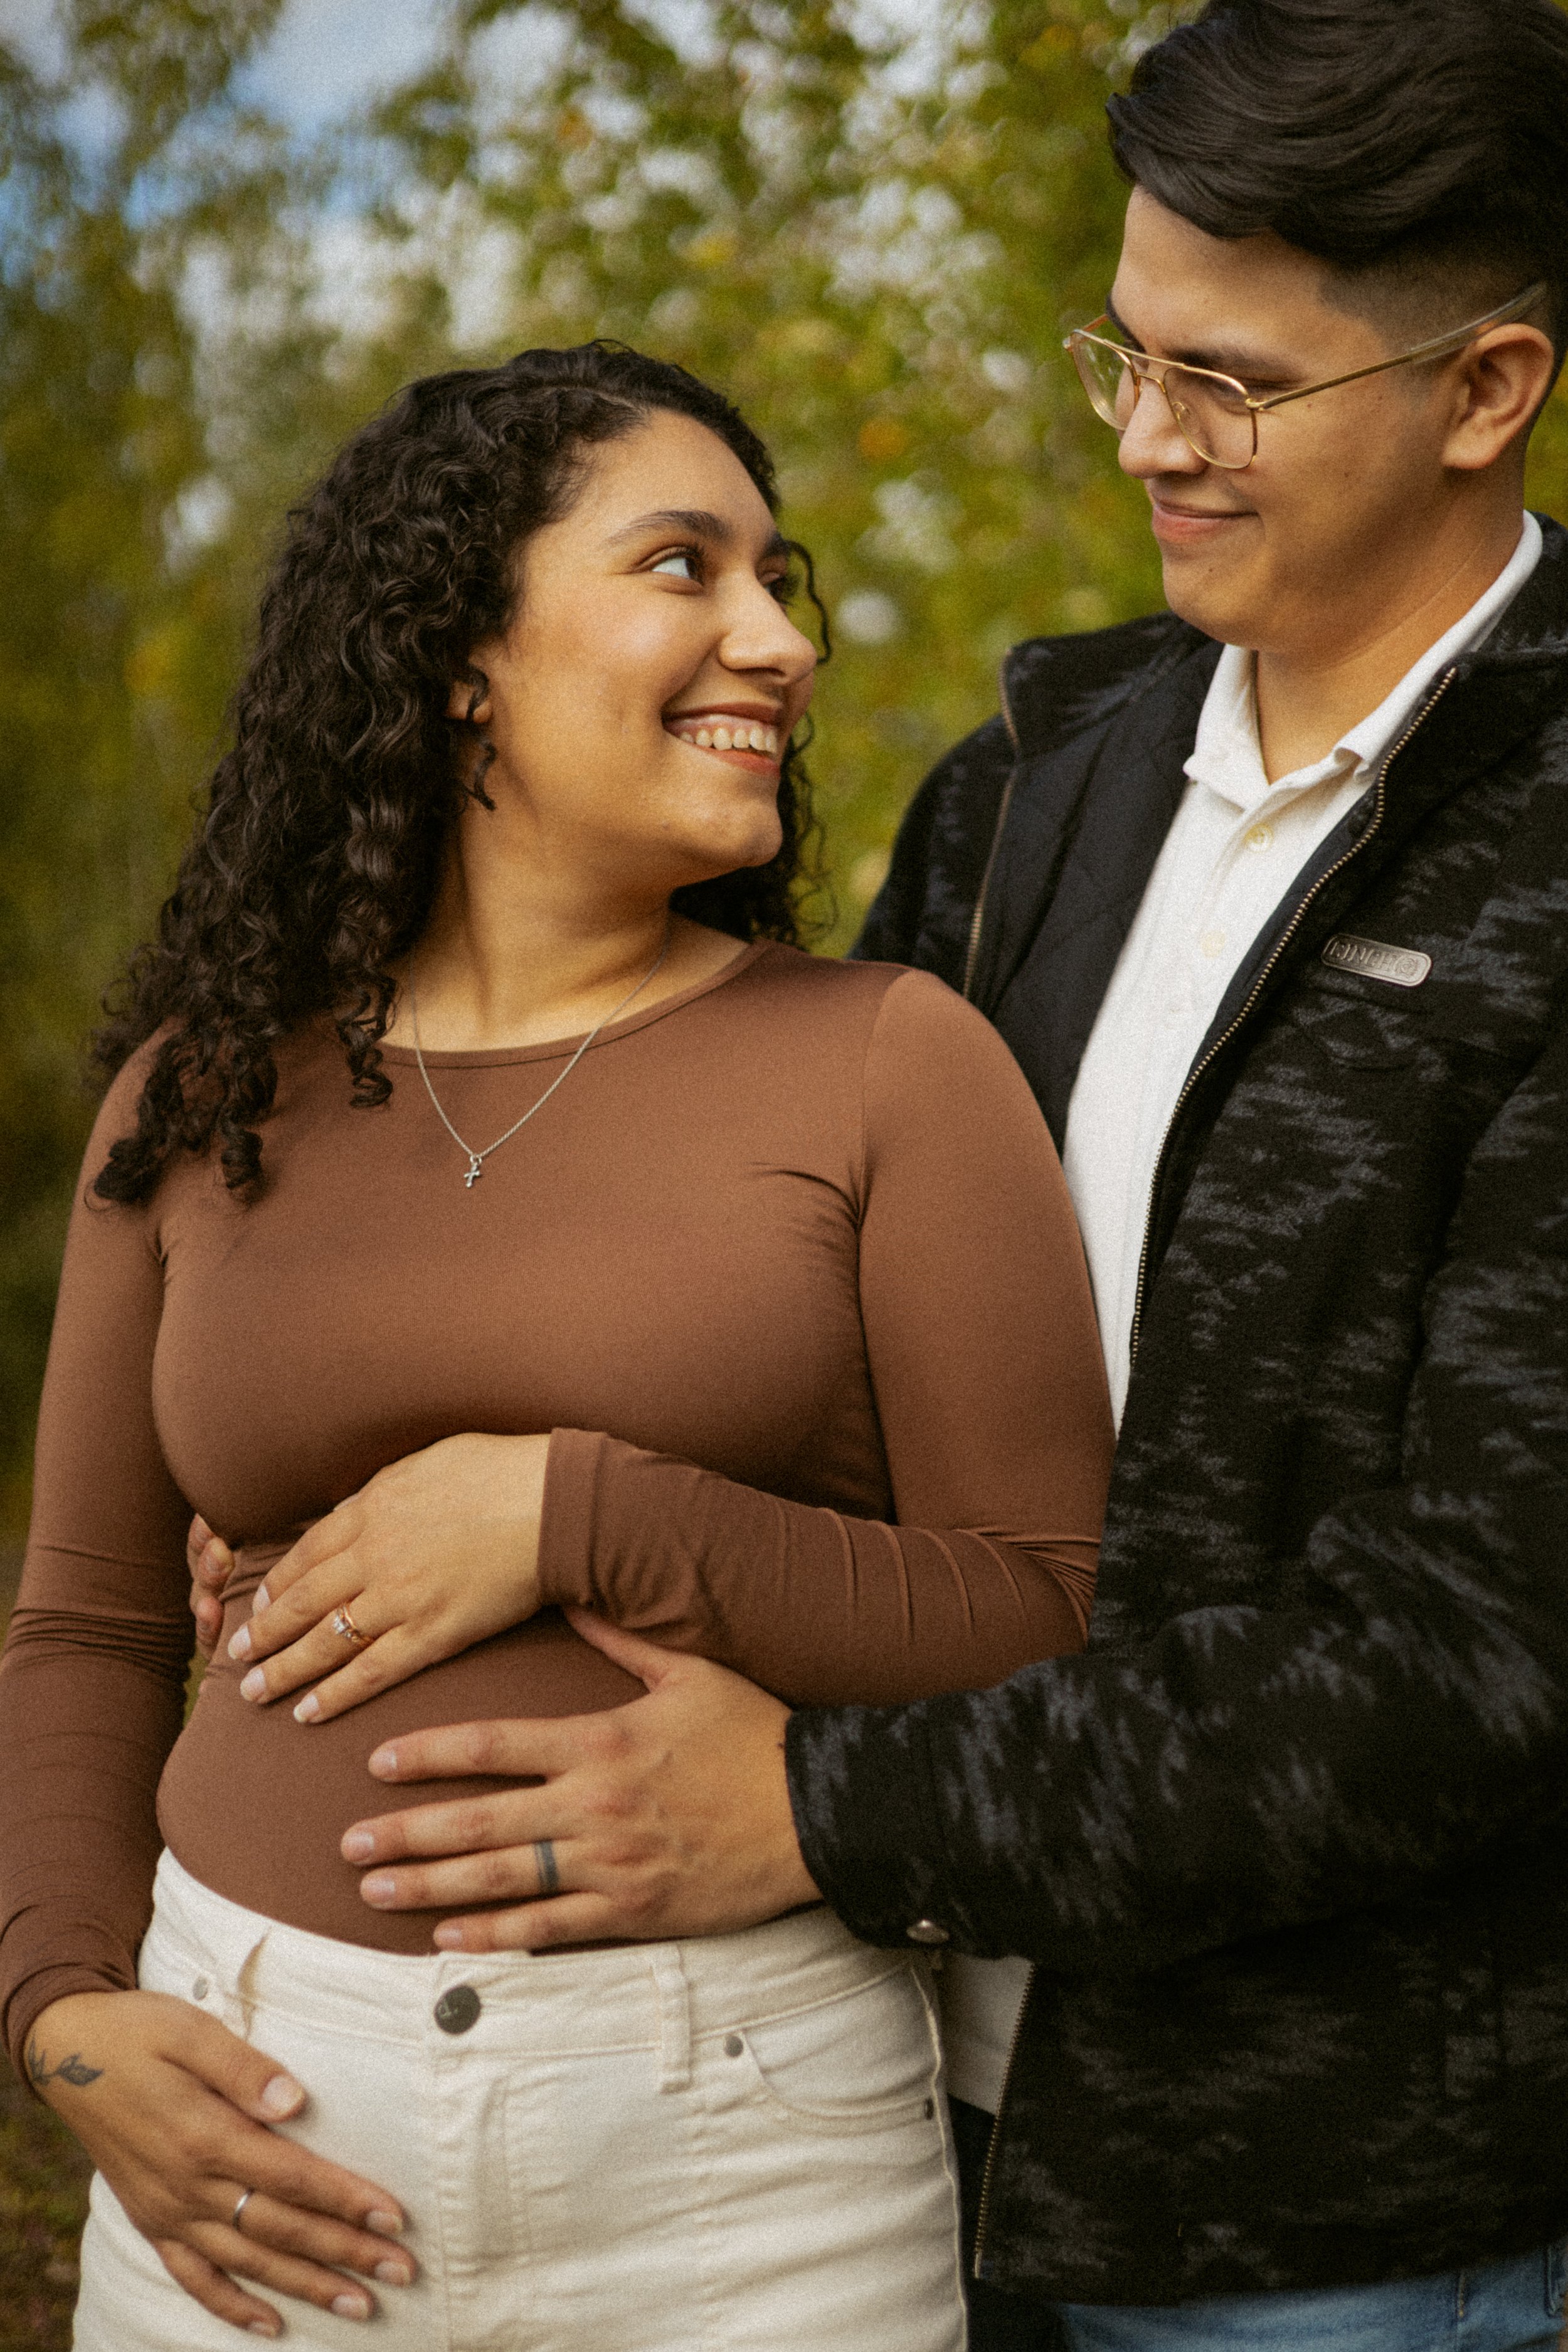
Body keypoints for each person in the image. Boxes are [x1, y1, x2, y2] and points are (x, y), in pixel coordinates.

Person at [237, 4, 1568, 2348]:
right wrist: (411, 1501)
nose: (1147, 439)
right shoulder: (1019, 793)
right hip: (856, 2119)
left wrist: (825, 1808)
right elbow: (794, 1360)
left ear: (1483, 389)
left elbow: (1478, 1656)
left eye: (1231, 385)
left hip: (1333, 2219)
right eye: (1120, 354)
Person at [0, 342, 1114, 2346]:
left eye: (784, 582)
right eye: (683, 567)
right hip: (249, 2146)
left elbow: (1036, 1613)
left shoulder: (887, 1061)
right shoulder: (205, 1090)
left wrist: (575, 1514)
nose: (773, 638)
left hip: (737, 2160)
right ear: (457, 655)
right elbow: (85, 1624)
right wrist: (66, 2016)